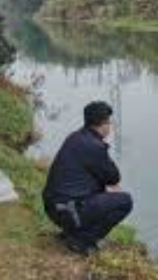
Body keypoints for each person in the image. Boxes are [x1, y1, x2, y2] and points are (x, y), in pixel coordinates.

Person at [43, 101, 133, 256]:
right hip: (70, 211)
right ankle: (83, 239)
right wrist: (103, 148)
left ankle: (71, 232)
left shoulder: (74, 137)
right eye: (109, 122)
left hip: (53, 207)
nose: (110, 126)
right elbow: (113, 177)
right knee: (125, 201)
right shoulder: (94, 146)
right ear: (103, 124)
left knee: (97, 191)